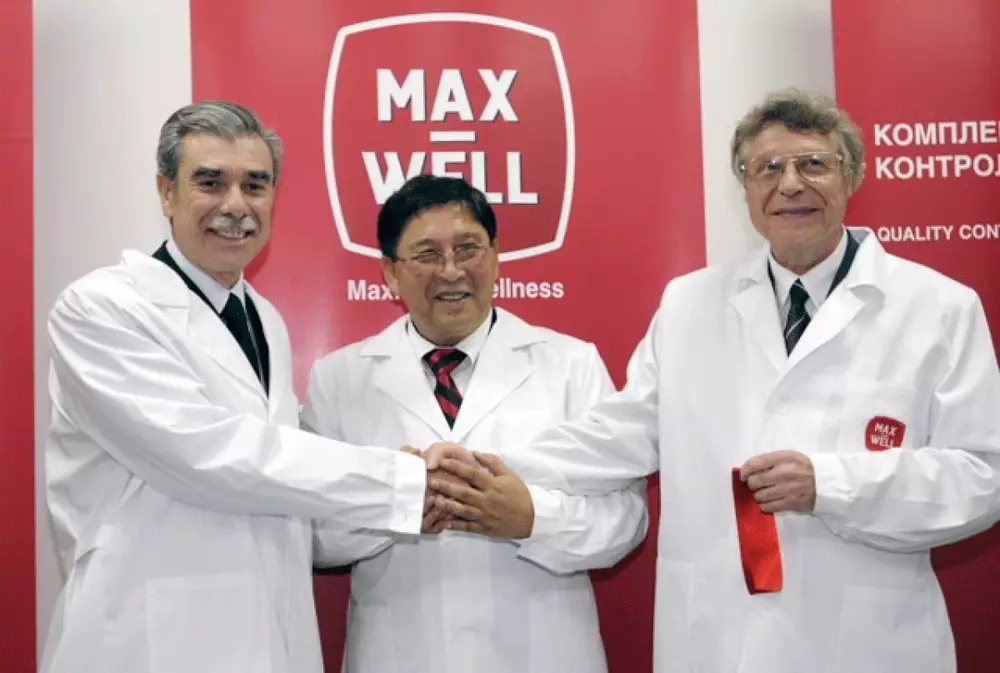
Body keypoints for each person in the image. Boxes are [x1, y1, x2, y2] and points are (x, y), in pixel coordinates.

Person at [432, 89, 1000, 673]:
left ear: (851, 175)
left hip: (865, 643)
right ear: (745, 188)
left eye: (813, 164)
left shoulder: (938, 309)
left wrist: (832, 484)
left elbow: (984, 477)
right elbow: (619, 435)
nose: (790, 185)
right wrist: (477, 467)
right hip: (718, 638)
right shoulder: (689, 303)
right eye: (767, 168)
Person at [41, 100, 445, 673]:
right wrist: (398, 480)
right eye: (211, 182)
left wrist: (406, 498)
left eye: (255, 185)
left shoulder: (264, 320)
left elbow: (279, 486)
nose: (236, 205)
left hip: (268, 634)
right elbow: (207, 454)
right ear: (166, 191)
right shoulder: (101, 308)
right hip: (147, 639)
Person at [303, 174, 648, 673]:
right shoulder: (339, 379)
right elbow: (309, 533)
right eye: (427, 254)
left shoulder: (572, 364)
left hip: (545, 655)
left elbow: (626, 519)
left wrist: (531, 519)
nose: (451, 271)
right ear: (390, 272)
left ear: (496, 256)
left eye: (468, 248)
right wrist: (394, 501)